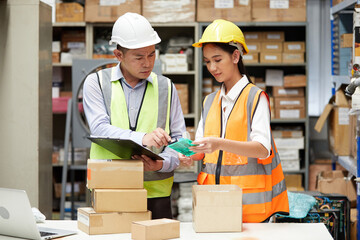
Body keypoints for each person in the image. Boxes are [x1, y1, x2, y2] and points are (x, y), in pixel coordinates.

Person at [179, 19, 289, 223]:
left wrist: (219, 143)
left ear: (235, 56)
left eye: (218, 59)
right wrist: (187, 154)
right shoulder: (209, 101)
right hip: (214, 205)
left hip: (249, 209)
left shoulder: (256, 98)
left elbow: (263, 149)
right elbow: (203, 149)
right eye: (207, 61)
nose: (212, 67)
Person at [83, 12, 186, 219]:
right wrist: (143, 138)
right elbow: (99, 128)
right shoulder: (96, 83)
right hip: (109, 189)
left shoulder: (166, 87)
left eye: (151, 54)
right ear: (118, 55)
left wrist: (162, 163)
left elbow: (180, 140)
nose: (147, 63)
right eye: (139, 57)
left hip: (156, 194)